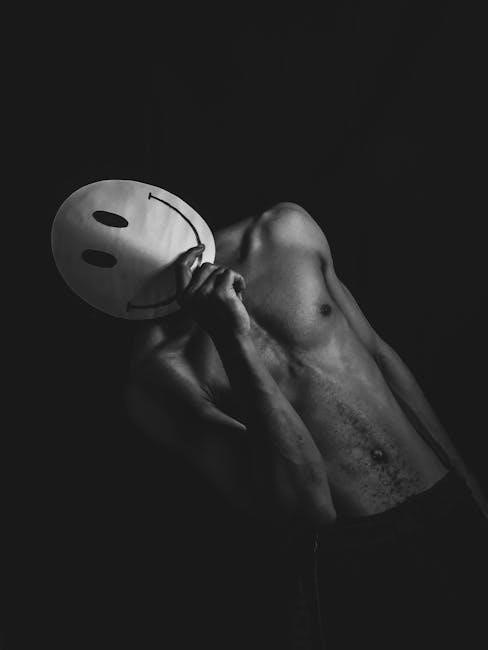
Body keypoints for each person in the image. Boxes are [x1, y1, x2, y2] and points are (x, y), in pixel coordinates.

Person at [126, 202, 488, 650]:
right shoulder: (159, 371)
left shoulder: (284, 232)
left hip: (445, 495)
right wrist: (231, 338)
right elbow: (309, 505)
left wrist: (471, 490)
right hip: (361, 555)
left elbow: (381, 359)